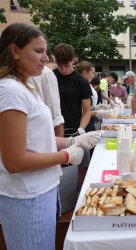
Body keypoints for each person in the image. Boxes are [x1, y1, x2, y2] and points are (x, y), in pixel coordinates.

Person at [0, 23, 87, 250]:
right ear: (15, 51)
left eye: (45, 52)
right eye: (38, 51)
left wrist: (71, 141)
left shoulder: (26, 86)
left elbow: (39, 140)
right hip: (27, 196)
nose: (45, 58)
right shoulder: (10, 91)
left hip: (42, 189)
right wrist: (66, 154)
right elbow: (15, 161)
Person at [53, 43, 93, 135]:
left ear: (73, 60)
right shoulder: (50, 77)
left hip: (74, 129)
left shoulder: (82, 82)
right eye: (60, 65)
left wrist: (81, 129)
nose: (63, 69)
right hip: (53, 129)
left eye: (66, 65)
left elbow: (87, 110)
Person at [28, 65, 65, 137]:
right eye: (39, 52)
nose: (46, 59)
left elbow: (55, 118)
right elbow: (56, 119)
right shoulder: (45, 73)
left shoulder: (45, 73)